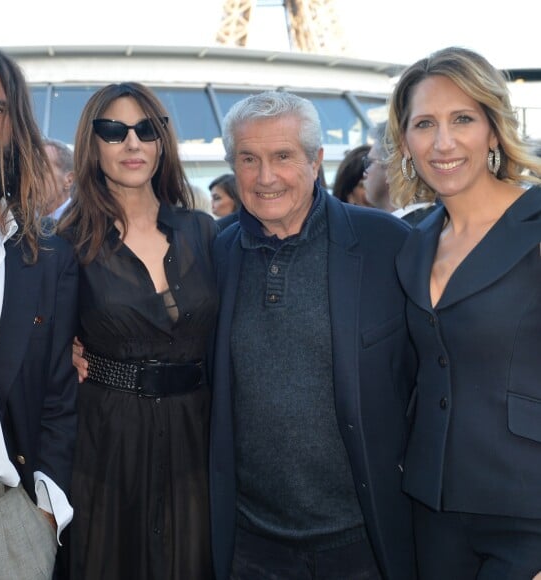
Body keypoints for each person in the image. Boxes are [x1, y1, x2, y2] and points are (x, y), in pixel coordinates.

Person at [209, 91, 417, 579]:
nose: (265, 177)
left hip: (366, 541)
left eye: (282, 156)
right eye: (248, 159)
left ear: (317, 160)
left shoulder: (387, 244)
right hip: (250, 547)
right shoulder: (214, 256)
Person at [386, 46, 541, 579]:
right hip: (433, 512)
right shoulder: (413, 241)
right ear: (406, 141)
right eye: (424, 124)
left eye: (462, 120)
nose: (443, 142)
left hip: (529, 517)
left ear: (494, 131)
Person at [59, 82, 218, 580]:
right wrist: (60, 349)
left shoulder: (205, 231)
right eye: (114, 131)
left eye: (146, 129)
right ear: (92, 143)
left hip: (199, 433)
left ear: (161, 141)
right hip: (107, 440)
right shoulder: (64, 241)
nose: (132, 143)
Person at [0, 45, 78, 579]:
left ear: (17, 127)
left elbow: (61, 399)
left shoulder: (50, 259)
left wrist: (45, 518)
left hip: (6, 530)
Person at [43, 138, 74, 220]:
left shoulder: (85, 225)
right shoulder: (16, 222)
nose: (32, 178)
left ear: (69, 180)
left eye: (42, 170)